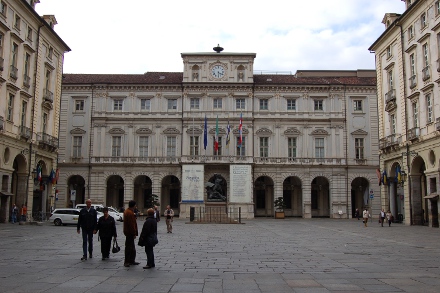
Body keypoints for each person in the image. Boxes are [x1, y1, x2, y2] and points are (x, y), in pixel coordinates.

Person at [123, 200, 139, 267]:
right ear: (133, 205)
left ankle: (131, 260)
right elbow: (131, 224)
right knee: (129, 247)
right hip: (129, 232)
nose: (136, 206)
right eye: (135, 205)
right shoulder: (130, 213)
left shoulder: (127, 211)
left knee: (131, 247)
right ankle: (127, 261)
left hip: (128, 232)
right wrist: (134, 233)